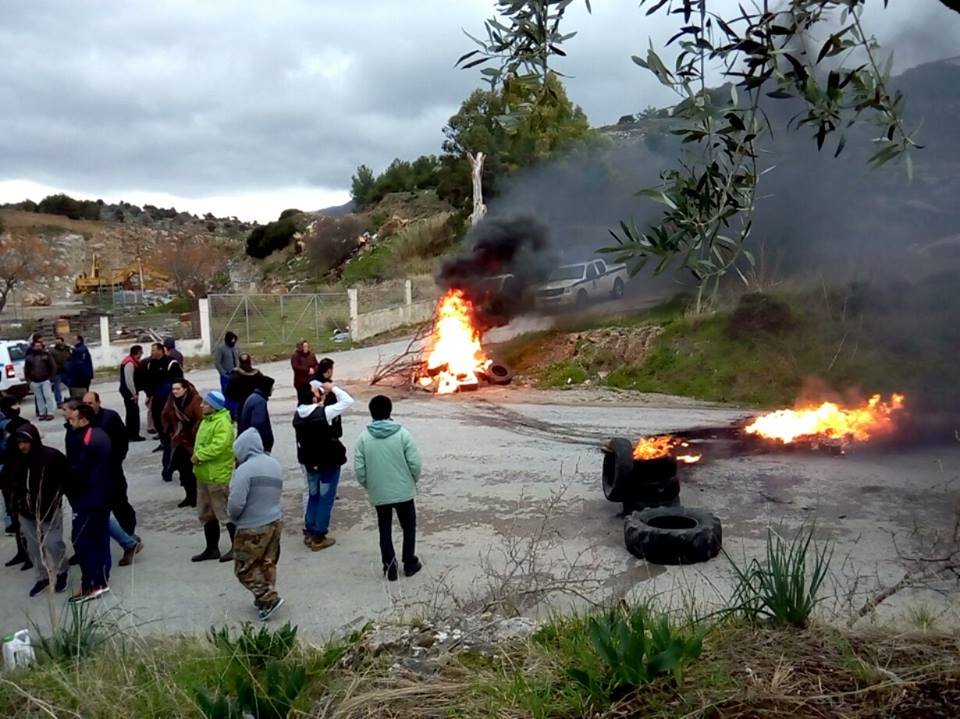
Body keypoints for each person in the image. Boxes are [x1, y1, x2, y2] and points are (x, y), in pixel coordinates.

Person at [354, 395, 423, 581]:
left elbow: (359, 469)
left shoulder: (363, 438)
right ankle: (409, 562)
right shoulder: (403, 434)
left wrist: (370, 485)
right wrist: (412, 480)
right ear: (390, 410)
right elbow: (415, 463)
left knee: (384, 528)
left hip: (379, 491)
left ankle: (390, 566)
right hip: (404, 490)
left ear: (371, 413)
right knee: (408, 526)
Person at [227, 428, 285, 621]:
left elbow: (236, 503)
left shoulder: (244, 470)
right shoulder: (274, 463)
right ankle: (265, 601)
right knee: (267, 563)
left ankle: (267, 598)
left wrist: (234, 518)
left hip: (252, 525)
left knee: (244, 568)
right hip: (274, 520)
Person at [292, 378, 354, 551]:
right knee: (326, 498)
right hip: (327, 462)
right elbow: (348, 401)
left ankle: (310, 530)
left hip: (310, 462)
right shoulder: (323, 413)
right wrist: (333, 388)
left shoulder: (298, 414)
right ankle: (319, 536)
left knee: (313, 496)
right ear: (313, 398)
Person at [9, 424, 70, 596]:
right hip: (25, 511)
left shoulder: (51, 457)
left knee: (53, 543)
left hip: (48, 510)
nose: (22, 446)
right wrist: (15, 504)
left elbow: (66, 479)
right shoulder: (16, 459)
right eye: (19, 443)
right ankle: (42, 577)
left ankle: (62, 571)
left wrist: (56, 499)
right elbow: (10, 482)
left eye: (26, 442)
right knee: (33, 547)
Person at [82, 392, 140, 566]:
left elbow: (122, 440)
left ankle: (130, 537)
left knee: (120, 503)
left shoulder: (110, 417)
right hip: (94, 473)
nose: (88, 406)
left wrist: (116, 461)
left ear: (98, 402)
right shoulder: (82, 419)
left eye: (90, 403)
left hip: (112, 469)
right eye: (85, 403)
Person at [66, 403, 113, 603]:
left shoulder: (86, 440)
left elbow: (79, 470)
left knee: (83, 540)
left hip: (89, 498)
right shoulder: (99, 434)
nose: (69, 422)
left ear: (83, 420)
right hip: (101, 496)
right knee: (100, 538)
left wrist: (68, 485)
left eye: (72, 419)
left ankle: (91, 585)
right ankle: (101, 580)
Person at [190, 390, 236, 562]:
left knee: (224, 513)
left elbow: (219, 446)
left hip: (217, 475)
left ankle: (236, 547)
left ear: (214, 406)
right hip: (203, 474)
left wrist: (199, 456)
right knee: (206, 513)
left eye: (205, 403)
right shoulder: (207, 420)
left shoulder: (222, 423)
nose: (201, 405)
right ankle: (211, 548)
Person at [161, 378, 203, 507]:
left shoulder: (195, 400)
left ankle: (196, 497)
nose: (175, 391)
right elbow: (165, 414)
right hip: (178, 441)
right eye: (173, 389)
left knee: (192, 470)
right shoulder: (171, 401)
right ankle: (189, 496)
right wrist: (170, 431)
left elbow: (200, 419)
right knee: (182, 471)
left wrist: (193, 432)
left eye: (178, 389)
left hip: (191, 441)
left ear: (185, 389)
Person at [1, 396, 31, 569]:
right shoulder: (5, 426)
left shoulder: (21, 425)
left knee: (24, 518)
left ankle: (30, 553)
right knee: (14, 517)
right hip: (8, 477)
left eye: (17, 404)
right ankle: (22, 551)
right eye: (13, 405)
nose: (17, 407)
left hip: (19, 476)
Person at [239, 375, 275, 454]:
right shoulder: (260, 402)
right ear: (266, 387)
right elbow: (258, 425)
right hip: (257, 447)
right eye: (272, 386)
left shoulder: (254, 397)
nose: (273, 389)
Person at [24, 339, 57, 421]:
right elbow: (26, 370)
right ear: (33, 347)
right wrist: (29, 381)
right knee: (39, 398)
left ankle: (50, 412)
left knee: (48, 396)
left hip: (46, 379)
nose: (38, 347)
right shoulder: (29, 357)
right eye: (36, 346)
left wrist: (51, 378)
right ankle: (42, 413)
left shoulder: (46, 355)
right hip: (34, 381)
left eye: (39, 346)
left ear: (42, 346)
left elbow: (53, 366)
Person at [225, 353, 265, 420]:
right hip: (256, 404)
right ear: (250, 361)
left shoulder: (234, 375)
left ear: (239, 362)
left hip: (242, 405)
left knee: (243, 423)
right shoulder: (257, 374)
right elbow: (266, 388)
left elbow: (228, 393)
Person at [119, 345, 145, 441]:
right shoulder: (130, 363)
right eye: (141, 352)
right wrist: (134, 393)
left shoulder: (129, 361)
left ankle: (130, 433)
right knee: (133, 412)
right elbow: (129, 380)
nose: (142, 354)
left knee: (131, 412)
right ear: (138, 353)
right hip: (129, 391)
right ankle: (133, 434)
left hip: (127, 390)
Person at [214, 332, 240, 417]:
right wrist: (224, 373)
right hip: (227, 375)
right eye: (232, 340)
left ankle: (236, 413)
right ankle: (229, 413)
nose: (233, 342)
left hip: (236, 374)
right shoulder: (221, 348)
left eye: (234, 340)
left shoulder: (236, 348)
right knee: (227, 395)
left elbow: (238, 358)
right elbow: (217, 363)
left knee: (237, 394)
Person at [64, 335, 94, 400]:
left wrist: (72, 348)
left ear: (79, 340)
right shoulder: (75, 350)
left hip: (83, 376)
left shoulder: (82, 348)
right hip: (76, 376)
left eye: (74, 340)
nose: (72, 341)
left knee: (83, 394)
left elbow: (80, 351)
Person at [49, 335, 72, 408]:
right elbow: (50, 361)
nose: (58, 343)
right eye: (57, 342)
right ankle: (59, 402)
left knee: (71, 385)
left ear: (62, 342)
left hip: (66, 371)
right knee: (57, 388)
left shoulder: (66, 349)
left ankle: (73, 398)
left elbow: (70, 357)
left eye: (59, 342)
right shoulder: (52, 351)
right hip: (57, 372)